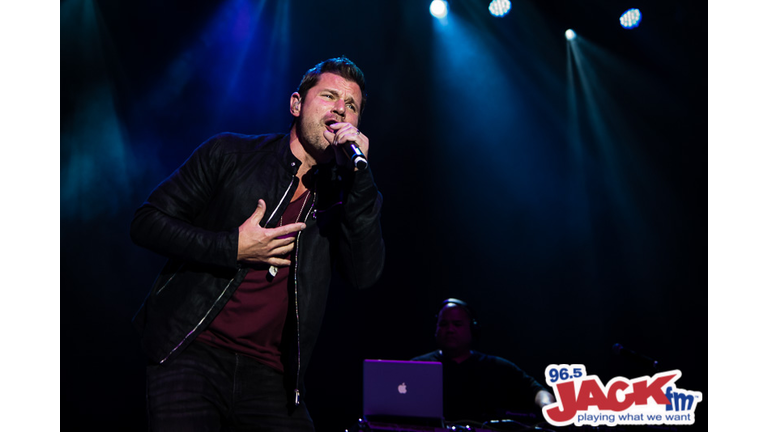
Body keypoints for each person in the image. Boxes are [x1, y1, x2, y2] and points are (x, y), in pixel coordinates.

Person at [130, 56, 385, 431]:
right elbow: (146, 222)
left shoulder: (347, 197)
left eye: (351, 106)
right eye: (329, 96)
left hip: (272, 375)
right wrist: (231, 248)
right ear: (297, 104)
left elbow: (364, 275)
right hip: (194, 350)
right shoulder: (230, 154)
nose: (339, 110)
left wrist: (359, 185)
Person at [411, 299, 555, 423]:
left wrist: (548, 406)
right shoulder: (417, 367)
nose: (450, 329)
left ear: (473, 329)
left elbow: (536, 391)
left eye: (457, 324)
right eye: (443, 324)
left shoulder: (496, 367)